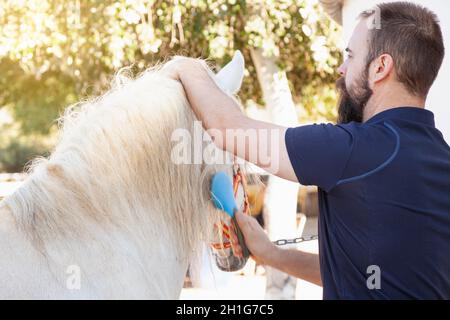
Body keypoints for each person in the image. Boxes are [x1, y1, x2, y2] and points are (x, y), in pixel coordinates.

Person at [168, 2, 450, 299]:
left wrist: (184, 65)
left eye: (350, 57)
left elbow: (226, 128)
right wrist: (272, 255)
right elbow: (363, 274)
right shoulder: (441, 160)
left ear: (380, 67)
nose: (341, 69)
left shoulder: (352, 150)